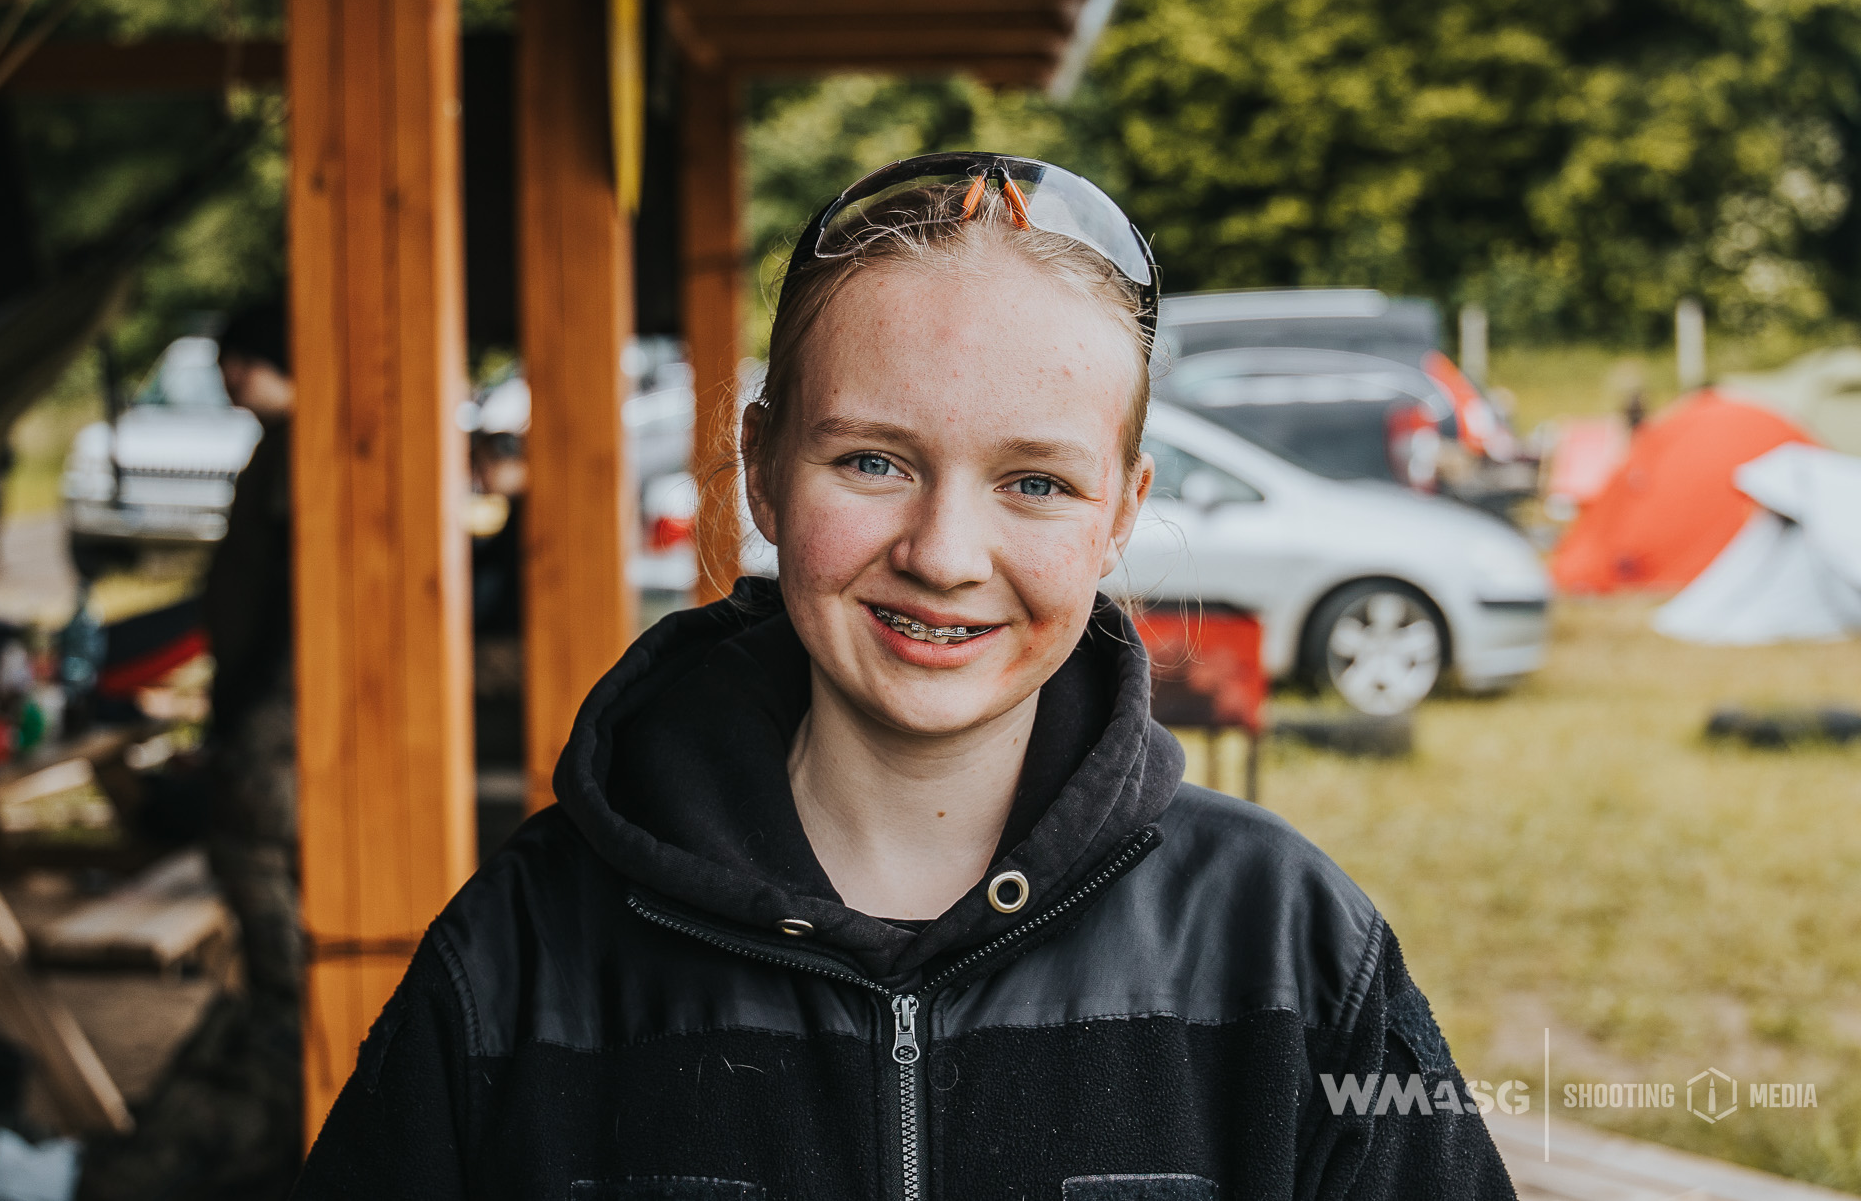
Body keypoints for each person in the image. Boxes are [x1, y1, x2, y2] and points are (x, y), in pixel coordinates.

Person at [293, 155, 1516, 1200]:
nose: (941, 555)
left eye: (1035, 482)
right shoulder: (524, 953)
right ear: (762, 469)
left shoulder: (1284, 945)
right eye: (873, 461)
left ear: (1120, 517)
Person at [78, 298, 302, 1201]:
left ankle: (264, 1099)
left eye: (233, 363)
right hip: (262, 720)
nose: (227, 381)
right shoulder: (282, 450)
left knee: (271, 923)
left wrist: (246, 708)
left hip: (270, 725)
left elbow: (275, 602)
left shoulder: (295, 449)